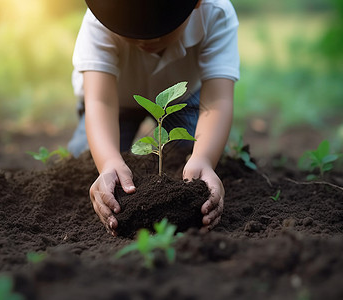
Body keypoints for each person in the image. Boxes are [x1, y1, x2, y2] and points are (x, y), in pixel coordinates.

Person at [69, 0, 240, 236]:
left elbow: (218, 100)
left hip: (179, 99)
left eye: (159, 31)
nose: (145, 40)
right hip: (115, 101)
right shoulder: (101, 18)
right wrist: (107, 162)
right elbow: (100, 102)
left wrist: (205, 158)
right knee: (88, 159)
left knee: (189, 154)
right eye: (132, 30)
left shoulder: (216, 13)